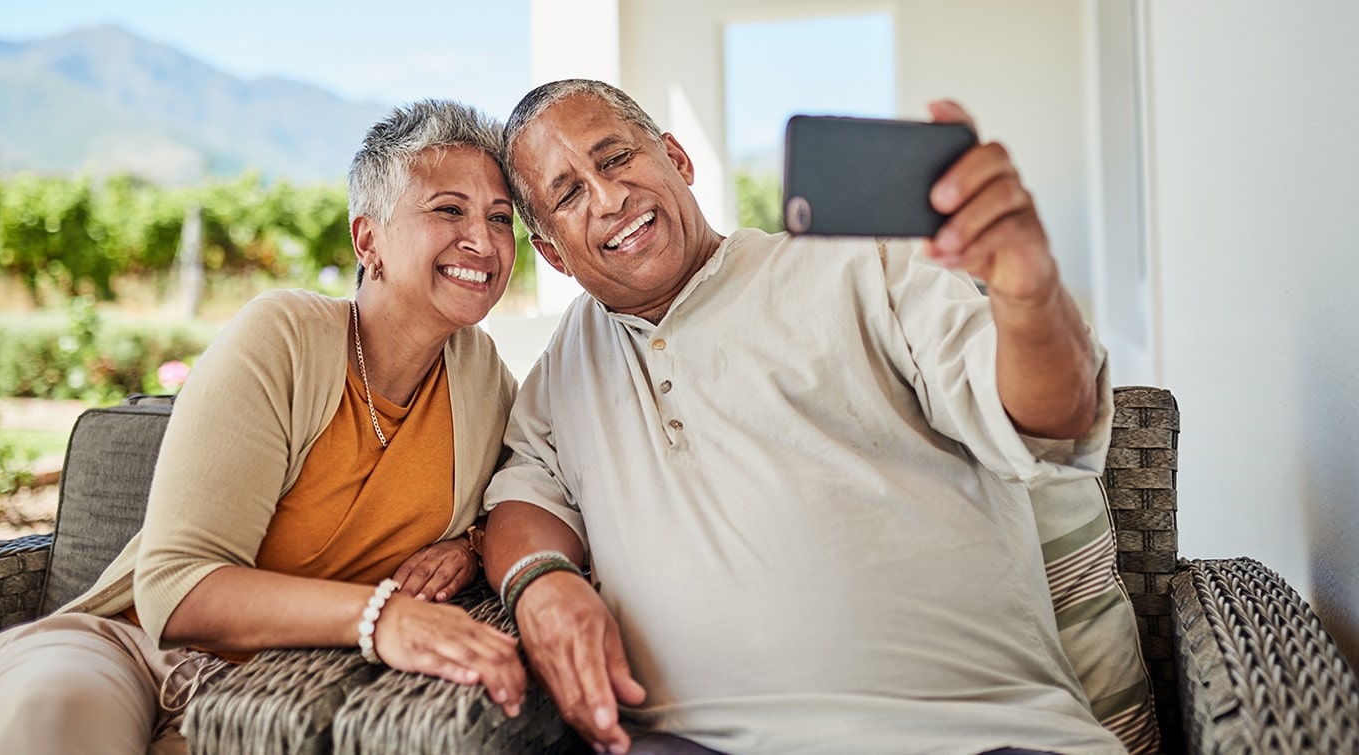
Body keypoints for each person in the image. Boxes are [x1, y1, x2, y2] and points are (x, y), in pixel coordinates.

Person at [480, 79, 1122, 754]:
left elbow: (1051, 417)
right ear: (551, 251)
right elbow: (525, 496)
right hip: (689, 743)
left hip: (974, 736)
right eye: (570, 193)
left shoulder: (862, 261)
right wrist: (540, 581)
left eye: (616, 159)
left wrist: (1030, 289)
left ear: (677, 159)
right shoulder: (563, 368)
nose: (609, 199)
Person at [0, 99, 528, 754]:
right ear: (369, 240)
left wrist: (471, 546)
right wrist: (379, 615)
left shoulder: (484, 379)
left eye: (500, 217)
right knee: (54, 711)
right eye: (449, 209)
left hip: (284, 693)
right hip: (136, 654)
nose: (483, 238)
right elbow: (175, 588)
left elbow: (535, 499)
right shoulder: (284, 335)